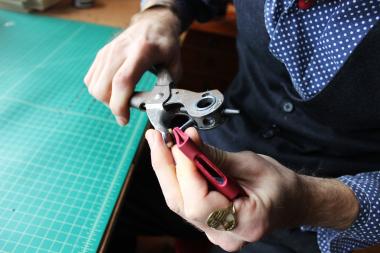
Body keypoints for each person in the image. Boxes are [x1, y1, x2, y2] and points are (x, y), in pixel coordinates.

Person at [84, 0, 380, 252]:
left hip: (319, 215)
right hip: (217, 141)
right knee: (92, 209)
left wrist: (310, 201)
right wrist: (160, 13)